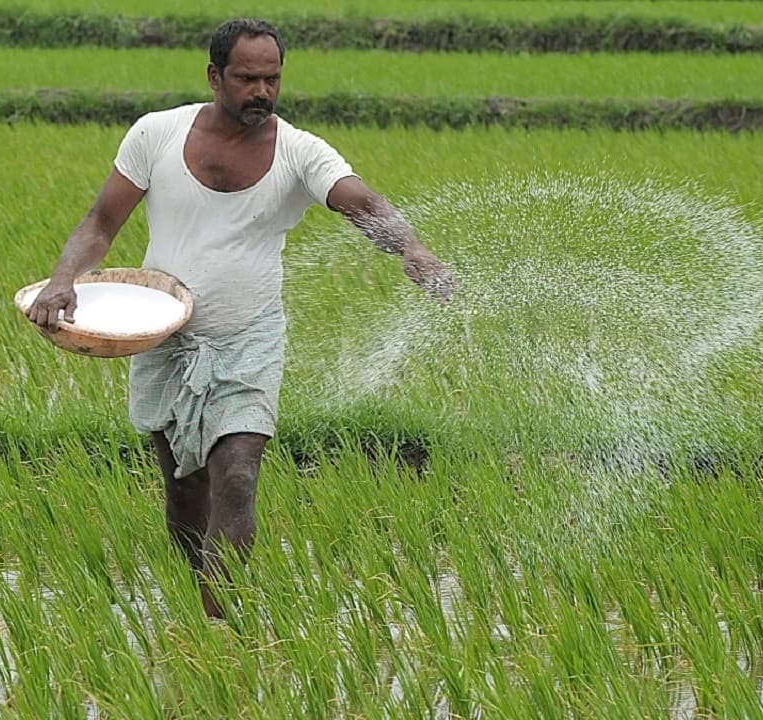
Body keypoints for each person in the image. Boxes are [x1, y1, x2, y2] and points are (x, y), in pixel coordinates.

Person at [26, 18, 456, 618]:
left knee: (237, 475)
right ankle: (194, 603)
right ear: (214, 76)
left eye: (272, 79)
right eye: (248, 78)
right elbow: (101, 222)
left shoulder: (301, 152)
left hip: (248, 335)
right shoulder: (157, 135)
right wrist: (64, 279)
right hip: (165, 336)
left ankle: (220, 625)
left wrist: (410, 247)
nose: (262, 91)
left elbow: (364, 202)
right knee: (184, 491)